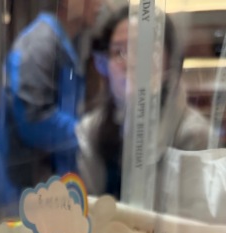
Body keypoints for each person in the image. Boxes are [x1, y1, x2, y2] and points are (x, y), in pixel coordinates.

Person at [77, 6, 211, 198]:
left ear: (169, 63)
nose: (129, 62)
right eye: (118, 52)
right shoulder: (90, 131)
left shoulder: (193, 135)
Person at [0, 0, 102, 215]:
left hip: (48, 195)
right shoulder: (40, 43)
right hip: (23, 196)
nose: (100, 4)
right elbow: (32, 120)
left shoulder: (64, 45)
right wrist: (87, 133)